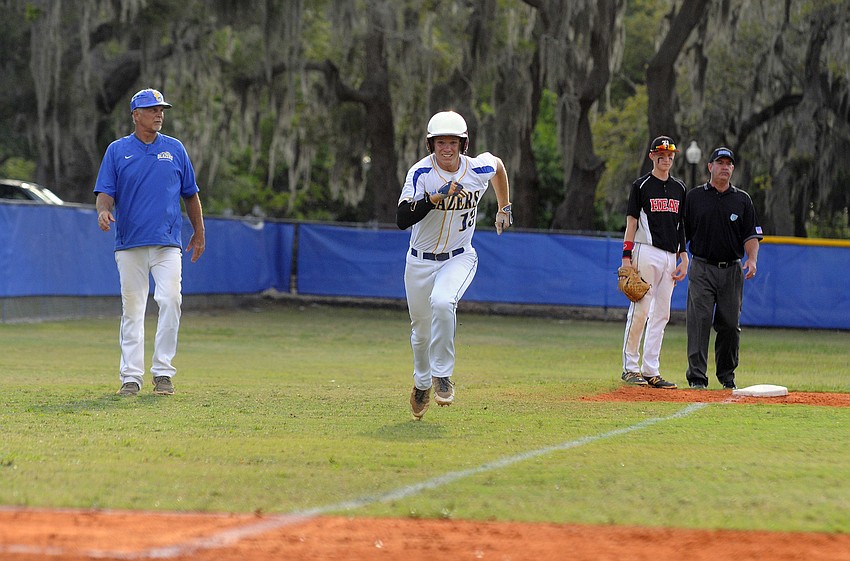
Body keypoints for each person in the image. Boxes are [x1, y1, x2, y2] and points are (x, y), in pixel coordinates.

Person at [397, 110, 512, 420]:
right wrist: (435, 198)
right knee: (420, 332)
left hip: (460, 256)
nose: (446, 149)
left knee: (444, 302)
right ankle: (421, 382)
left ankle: (442, 375)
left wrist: (505, 207)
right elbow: (402, 219)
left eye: (453, 142)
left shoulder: (477, 168)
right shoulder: (421, 173)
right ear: (430, 144)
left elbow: (498, 166)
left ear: (464, 144)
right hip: (419, 262)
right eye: (440, 143)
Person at [94, 88, 206, 396]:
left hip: (167, 243)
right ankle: (131, 377)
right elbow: (105, 194)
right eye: (152, 109)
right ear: (136, 115)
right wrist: (103, 212)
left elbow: (191, 195)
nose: (159, 114)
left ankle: (163, 373)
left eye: (161, 109)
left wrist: (199, 231)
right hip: (130, 244)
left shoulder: (175, 149)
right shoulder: (117, 150)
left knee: (171, 300)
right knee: (133, 309)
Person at [683, 147, 763, 390]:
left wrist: (752, 260)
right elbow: (681, 232)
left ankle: (727, 376)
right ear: (710, 167)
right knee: (699, 320)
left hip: (731, 269)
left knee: (729, 324)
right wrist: (679, 257)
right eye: (720, 162)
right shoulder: (695, 197)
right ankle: (697, 377)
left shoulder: (742, 199)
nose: (725, 167)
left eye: (729, 163)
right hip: (702, 267)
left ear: (733, 168)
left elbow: (751, 235)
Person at [620, 136, 689, 390]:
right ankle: (630, 367)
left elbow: (681, 226)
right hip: (646, 250)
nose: (666, 158)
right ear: (652, 156)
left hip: (671, 256)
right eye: (661, 154)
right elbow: (631, 223)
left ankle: (651, 370)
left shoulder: (680, 188)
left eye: (670, 155)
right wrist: (626, 257)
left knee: (662, 314)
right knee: (640, 310)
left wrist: (683, 255)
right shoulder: (641, 186)